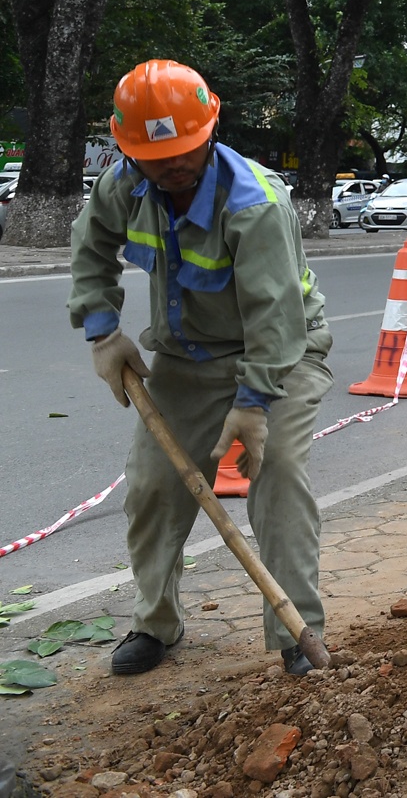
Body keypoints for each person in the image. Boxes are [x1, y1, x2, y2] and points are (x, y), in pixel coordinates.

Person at [69, 60, 334, 676]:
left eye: (186, 150)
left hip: (280, 356)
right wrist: (102, 330)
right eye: (156, 157)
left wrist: (253, 403)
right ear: (126, 148)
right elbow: (91, 250)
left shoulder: (255, 203)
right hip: (185, 360)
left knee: (280, 480)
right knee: (154, 485)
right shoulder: (122, 185)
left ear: (210, 130)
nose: (173, 166)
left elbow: (276, 317)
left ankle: (299, 632)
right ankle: (155, 622)